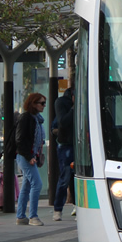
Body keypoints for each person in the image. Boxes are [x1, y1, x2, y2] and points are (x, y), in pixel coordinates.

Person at [15, 93, 47, 226]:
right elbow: (20, 140)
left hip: (30, 156)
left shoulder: (37, 119)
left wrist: (36, 156)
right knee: (37, 184)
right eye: (41, 103)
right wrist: (29, 156)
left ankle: (21, 216)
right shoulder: (27, 118)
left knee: (27, 186)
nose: (44, 106)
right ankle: (33, 216)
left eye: (44, 103)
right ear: (33, 104)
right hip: (25, 156)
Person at [51, 85, 75, 221]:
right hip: (66, 144)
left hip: (77, 144)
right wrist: (73, 108)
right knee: (65, 176)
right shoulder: (61, 103)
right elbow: (63, 122)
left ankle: (77, 206)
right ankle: (57, 208)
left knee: (76, 177)